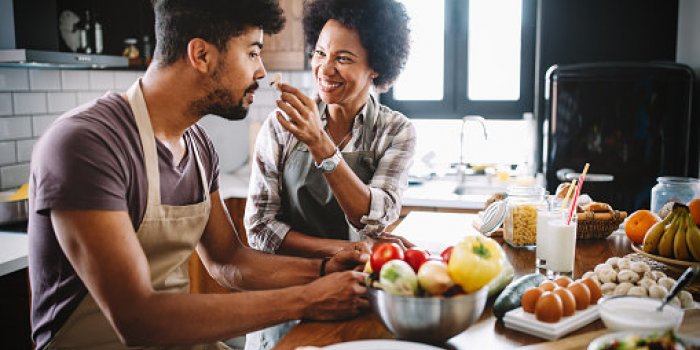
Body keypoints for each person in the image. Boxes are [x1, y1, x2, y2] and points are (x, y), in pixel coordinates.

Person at [27, 1, 370, 349]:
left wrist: (326, 270)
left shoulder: (198, 145)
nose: (262, 71)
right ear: (201, 55)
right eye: (252, 53)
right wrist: (308, 298)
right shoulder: (87, 144)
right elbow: (138, 319)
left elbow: (229, 260)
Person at [244, 0, 414, 347]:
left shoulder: (395, 131)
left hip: (357, 295)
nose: (325, 68)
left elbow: (373, 219)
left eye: (343, 58)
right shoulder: (280, 126)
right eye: (320, 53)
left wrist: (322, 145)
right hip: (286, 296)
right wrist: (341, 251)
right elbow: (259, 228)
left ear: (376, 67)